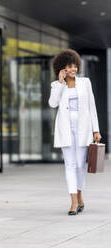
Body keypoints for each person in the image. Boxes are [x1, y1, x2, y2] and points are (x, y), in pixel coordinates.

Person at [49, 49, 101, 215]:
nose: (73, 69)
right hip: (66, 129)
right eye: (69, 67)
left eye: (75, 66)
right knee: (69, 165)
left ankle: (79, 195)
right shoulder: (57, 85)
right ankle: (73, 202)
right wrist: (59, 83)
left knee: (79, 165)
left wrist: (96, 130)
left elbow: (92, 107)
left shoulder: (85, 82)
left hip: (83, 128)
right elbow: (52, 103)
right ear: (62, 68)